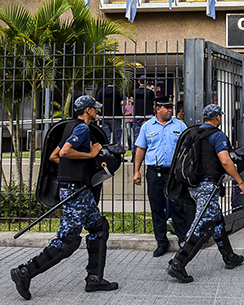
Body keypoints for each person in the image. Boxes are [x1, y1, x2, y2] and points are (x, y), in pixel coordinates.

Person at [10, 96, 118, 300]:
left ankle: (94, 278)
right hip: (75, 192)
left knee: (99, 227)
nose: (97, 111)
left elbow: (54, 156)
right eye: (95, 109)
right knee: (68, 240)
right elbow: (66, 152)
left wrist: (75, 170)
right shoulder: (82, 129)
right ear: (87, 110)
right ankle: (25, 272)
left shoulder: (70, 127)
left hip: (79, 190)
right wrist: (92, 155)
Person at [167, 104, 244, 283]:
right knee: (203, 226)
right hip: (207, 186)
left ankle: (229, 256)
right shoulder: (217, 135)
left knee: (216, 220)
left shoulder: (192, 133)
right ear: (218, 117)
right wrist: (240, 181)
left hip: (193, 185)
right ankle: (178, 264)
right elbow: (226, 161)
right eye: (220, 116)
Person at [133, 95, 191, 257]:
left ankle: (183, 240)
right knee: (157, 208)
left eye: (171, 108)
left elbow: (187, 148)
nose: (170, 110)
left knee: (177, 206)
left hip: (174, 173)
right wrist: (136, 171)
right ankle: (161, 242)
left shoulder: (180, 125)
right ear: (157, 109)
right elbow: (140, 149)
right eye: (166, 108)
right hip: (154, 172)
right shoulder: (147, 126)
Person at [132, 75, 155, 142]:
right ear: (147, 82)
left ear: (139, 82)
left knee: (137, 133)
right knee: (150, 133)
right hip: (148, 114)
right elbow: (153, 102)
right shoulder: (150, 92)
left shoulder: (135, 92)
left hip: (137, 114)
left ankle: (136, 149)